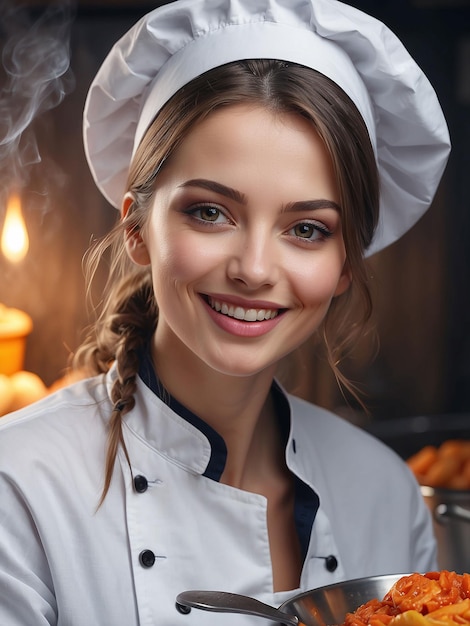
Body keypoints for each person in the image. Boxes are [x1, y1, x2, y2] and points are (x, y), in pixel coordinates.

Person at [0, 0, 451, 624]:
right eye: (210, 212)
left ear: (347, 262)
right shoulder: (17, 484)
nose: (255, 268)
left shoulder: (385, 493)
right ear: (136, 226)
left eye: (307, 229)